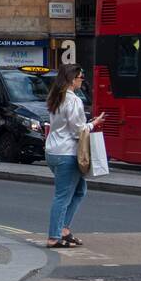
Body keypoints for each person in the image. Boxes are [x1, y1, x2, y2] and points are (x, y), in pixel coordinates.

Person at [44, 64, 104, 249]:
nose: (82, 80)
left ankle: (63, 230)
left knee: (79, 191)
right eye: (80, 77)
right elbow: (78, 131)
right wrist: (94, 124)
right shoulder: (73, 100)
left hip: (53, 151)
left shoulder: (56, 97)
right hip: (67, 153)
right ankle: (54, 237)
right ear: (71, 79)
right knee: (62, 196)